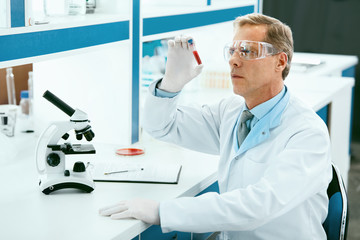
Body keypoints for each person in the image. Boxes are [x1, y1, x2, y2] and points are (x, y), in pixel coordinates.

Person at [99, 13, 332, 239]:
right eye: (232, 50)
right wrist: (170, 85)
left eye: (247, 51)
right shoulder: (230, 113)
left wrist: (163, 212)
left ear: (280, 61)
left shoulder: (307, 133)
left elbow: (259, 205)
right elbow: (162, 126)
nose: (234, 59)